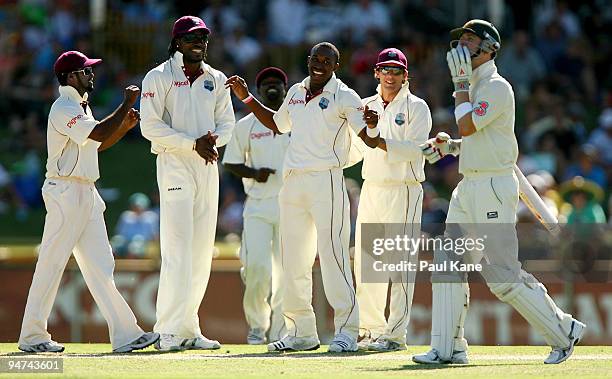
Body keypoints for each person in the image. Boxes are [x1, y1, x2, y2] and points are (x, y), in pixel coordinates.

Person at [414, 19, 585, 365]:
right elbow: (478, 137)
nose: (462, 46)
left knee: (502, 275)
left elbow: (468, 123)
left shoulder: (496, 86)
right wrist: (452, 148)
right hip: (470, 184)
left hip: (493, 186)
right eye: (459, 40)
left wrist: (460, 87)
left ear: (490, 47)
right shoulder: (474, 86)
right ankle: (448, 348)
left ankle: (563, 331)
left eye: (470, 40)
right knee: (447, 264)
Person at [225, 42, 381, 352]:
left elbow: (368, 140)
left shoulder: (345, 96)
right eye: (316, 59)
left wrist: (373, 127)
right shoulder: (296, 91)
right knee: (293, 262)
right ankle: (301, 333)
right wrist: (246, 98)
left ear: (336, 65)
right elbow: (278, 124)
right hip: (292, 183)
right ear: (308, 61)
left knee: (334, 256)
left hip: (327, 180)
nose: (320, 64)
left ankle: (347, 331)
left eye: (328, 60)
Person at [18, 50, 158, 353]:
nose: (92, 75)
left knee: (101, 266)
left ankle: (126, 335)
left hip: (85, 193)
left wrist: (122, 126)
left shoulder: (80, 106)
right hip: (65, 192)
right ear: (71, 77)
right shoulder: (63, 107)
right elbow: (96, 132)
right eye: (86, 71)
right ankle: (32, 336)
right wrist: (125, 105)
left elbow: (97, 142)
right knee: (51, 265)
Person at [140, 15, 235, 351]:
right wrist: (190, 143)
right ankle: (166, 329)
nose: (199, 42)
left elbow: (227, 123)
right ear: (177, 41)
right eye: (192, 37)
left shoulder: (216, 78)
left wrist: (212, 141)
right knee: (177, 248)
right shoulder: (159, 76)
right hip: (175, 164)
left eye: (203, 37)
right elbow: (149, 127)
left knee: (200, 252)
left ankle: (188, 327)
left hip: (207, 166)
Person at [350, 48, 432, 352]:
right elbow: (356, 149)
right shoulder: (365, 105)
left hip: (404, 188)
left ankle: (395, 335)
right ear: (376, 73)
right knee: (368, 264)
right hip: (372, 187)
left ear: (405, 76)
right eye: (385, 69)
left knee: (400, 264)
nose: (390, 75)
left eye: (396, 71)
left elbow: (418, 149)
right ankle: (369, 329)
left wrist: (378, 139)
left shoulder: (417, 107)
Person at [223, 67, 290, 345]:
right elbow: (230, 162)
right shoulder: (246, 124)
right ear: (258, 90)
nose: (272, 88)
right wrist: (254, 173)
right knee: (257, 269)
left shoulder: (296, 121)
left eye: (277, 84)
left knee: (288, 273)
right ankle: (257, 327)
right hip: (258, 205)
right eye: (266, 84)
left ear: (286, 90)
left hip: (291, 205)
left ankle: (281, 331)